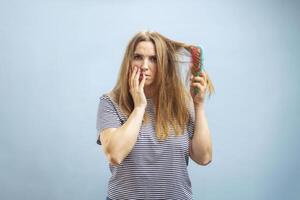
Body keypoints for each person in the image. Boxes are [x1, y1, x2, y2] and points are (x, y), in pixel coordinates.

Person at [96, 31, 214, 200]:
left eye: (153, 59)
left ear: (164, 64)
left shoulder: (182, 102)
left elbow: (204, 157)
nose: (144, 65)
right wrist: (139, 107)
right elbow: (115, 154)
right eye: (138, 57)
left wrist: (199, 106)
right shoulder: (110, 101)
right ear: (128, 61)